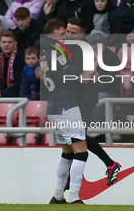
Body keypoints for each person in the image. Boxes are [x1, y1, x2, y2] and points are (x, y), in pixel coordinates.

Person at [42, 18, 121, 188]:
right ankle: (105, 165)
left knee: (79, 137)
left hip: (85, 97)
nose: (69, 35)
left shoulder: (82, 51)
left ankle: (108, 164)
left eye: (73, 33)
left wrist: (51, 72)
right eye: (67, 32)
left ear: (82, 34)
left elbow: (78, 79)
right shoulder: (67, 48)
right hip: (72, 98)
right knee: (76, 138)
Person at [0, 30, 25, 97]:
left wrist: (2, 93)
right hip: (1, 92)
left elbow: (20, 82)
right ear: (0, 44)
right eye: (4, 42)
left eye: (9, 42)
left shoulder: (22, 57)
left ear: (15, 44)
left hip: (18, 94)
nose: (6, 45)